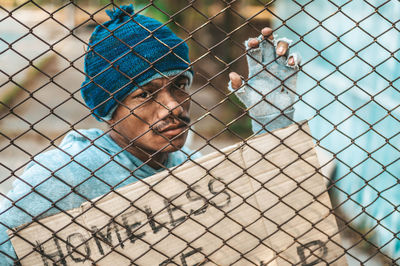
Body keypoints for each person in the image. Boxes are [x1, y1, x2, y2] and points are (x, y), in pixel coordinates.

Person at [0, 4, 300, 264]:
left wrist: (274, 128)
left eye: (180, 86)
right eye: (145, 94)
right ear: (110, 108)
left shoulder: (194, 170)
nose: (173, 106)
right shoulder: (65, 175)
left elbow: (273, 224)